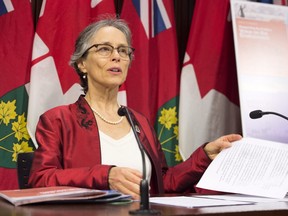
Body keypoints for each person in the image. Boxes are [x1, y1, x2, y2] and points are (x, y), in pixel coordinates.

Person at [28, 16, 242, 200]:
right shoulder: (58, 120)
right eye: (104, 49)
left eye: (123, 50)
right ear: (82, 63)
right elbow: (40, 180)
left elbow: (162, 182)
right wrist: (106, 176)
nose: (117, 56)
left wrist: (205, 155)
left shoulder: (139, 122)